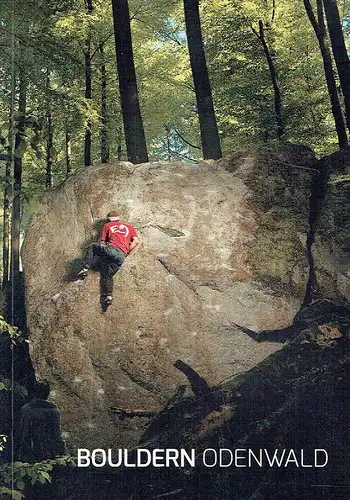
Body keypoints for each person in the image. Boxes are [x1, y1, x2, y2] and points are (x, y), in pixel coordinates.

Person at [77, 211, 141, 306]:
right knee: (107, 275)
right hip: (121, 256)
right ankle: (109, 296)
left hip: (111, 249)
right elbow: (136, 241)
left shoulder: (108, 226)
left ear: (108, 220)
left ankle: (85, 268)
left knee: (92, 247)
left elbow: (102, 242)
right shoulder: (129, 227)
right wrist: (126, 252)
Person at [18, 379, 66, 462]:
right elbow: (56, 435)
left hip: (29, 454)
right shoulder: (53, 410)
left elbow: (23, 433)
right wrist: (64, 454)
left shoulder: (26, 409)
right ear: (48, 393)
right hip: (49, 454)